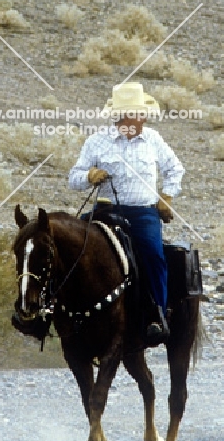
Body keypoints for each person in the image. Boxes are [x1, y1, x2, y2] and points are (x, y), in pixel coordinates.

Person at [69, 82, 185, 340]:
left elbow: (175, 169)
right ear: (122, 116)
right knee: (75, 248)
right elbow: (73, 178)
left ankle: (157, 314)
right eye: (138, 113)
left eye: (143, 114)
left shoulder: (153, 139)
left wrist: (167, 196)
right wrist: (89, 174)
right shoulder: (96, 141)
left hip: (143, 211)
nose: (142, 118)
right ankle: (65, 310)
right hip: (105, 210)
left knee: (154, 254)